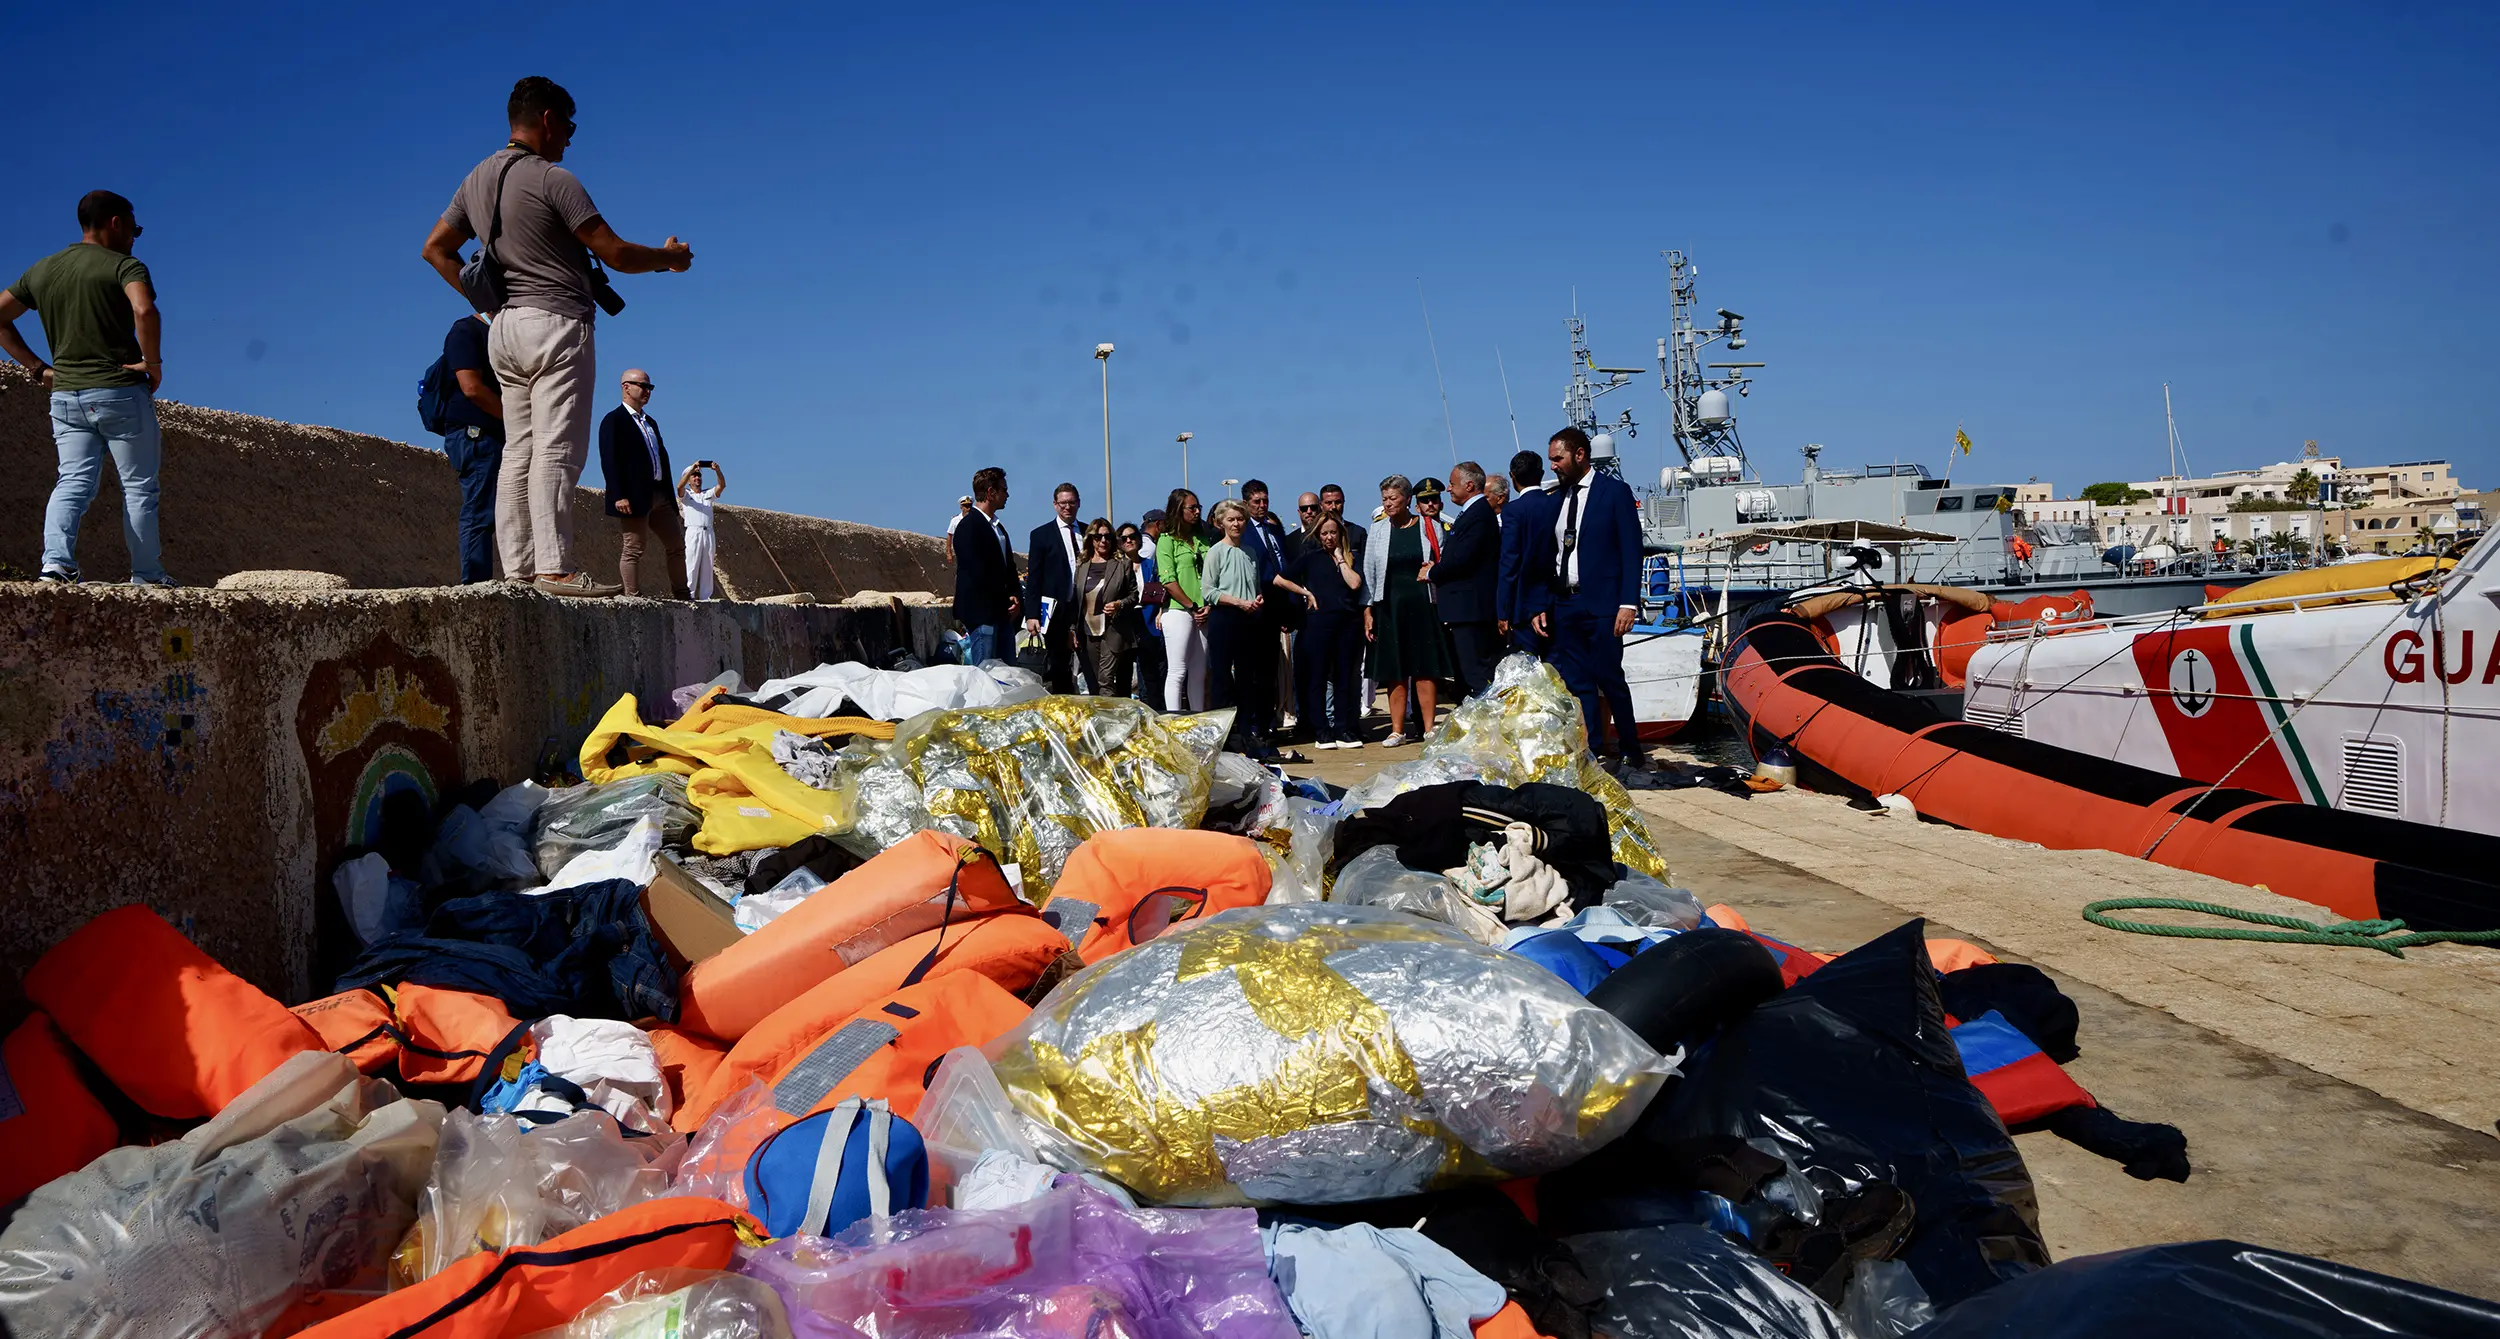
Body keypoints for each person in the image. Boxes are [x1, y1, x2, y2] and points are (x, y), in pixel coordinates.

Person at [420, 76, 692, 598]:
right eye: (568, 126)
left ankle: (519, 571)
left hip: (504, 328)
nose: (570, 137)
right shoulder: (553, 179)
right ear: (547, 120)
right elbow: (614, 252)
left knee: (519, 450)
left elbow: (436, 248)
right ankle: (556, 568)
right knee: (556, 451)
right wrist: (669, 260)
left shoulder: (475, 179)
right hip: (556, 323)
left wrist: (488, 304)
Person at [0, 190, 171, 586]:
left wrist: (37, 368)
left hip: (66, 396)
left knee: (73, 481)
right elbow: (144, 309)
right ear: (116, 223)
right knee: (139, 487)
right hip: (119, 392)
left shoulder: (42, 270)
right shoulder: (125, 265)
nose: (134, 238)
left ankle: (56, 565)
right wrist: (154, 363)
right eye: (134, 229)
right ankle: (147, 575)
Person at [1523, 428, 1644, 768]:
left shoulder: (1614, 493)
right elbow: (1542, 558)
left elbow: (1631, 550)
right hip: (1564, 604)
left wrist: (1628, 603)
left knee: (1609, 676)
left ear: (1579, 455)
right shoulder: (1554, 500)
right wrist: (1537, 605)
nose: (1553, 467)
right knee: (1577, 682)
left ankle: (1631, 749)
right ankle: (1593, 749)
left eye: (1558, 459)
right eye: (1550, 461)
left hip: (1604, 604)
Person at [1363, 475, 1452, 747]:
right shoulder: (1377, 530)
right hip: (1390, 605)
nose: (1388, 504)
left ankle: (1428, 727)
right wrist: (1367, 610)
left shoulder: (1430, 527)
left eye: (1393, 498)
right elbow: (1369, 572)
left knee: (1425, 667)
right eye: (1384, 500)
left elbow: (1443, 562)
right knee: (1395, 669)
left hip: (1423, 603)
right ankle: (1397, 729)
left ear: (1407, 500)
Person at [598, 369, 688, 598]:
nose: (647, 391)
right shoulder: (613, 420)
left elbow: (660, 458)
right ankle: (633, 597)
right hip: (634, 496)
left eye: (650, 387)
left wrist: (670, 498)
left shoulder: (651, 422)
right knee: (633, 548)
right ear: (626, 387)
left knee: (676, 545)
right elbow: (609, 460)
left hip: (660, 495)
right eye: (643, 386)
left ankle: (681, 593)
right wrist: (618, 494)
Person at [1290, 514, 1367, 748]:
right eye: (1324, 533)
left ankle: (1343, 728)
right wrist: (1307, 593)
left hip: (1347, 625)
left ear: (1340, 534)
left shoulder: (1351, 558)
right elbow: (1280, 579)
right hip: (1318, 625)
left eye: (1333, 532)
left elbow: (1355, 584)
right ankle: (1321, 730)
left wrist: (1340, 559)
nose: (1329, 537)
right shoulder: (1310, 558)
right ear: (1318, 536)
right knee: (1318, 678)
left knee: (1344, 677)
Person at [439, 313, 504, 582]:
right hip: (476, 435)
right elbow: (471, 388)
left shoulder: (500, 335)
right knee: (480, 511)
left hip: (494, 434)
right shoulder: (467, 330)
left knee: (491, 512)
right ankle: (476, 587)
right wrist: (517, 419)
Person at [1429, 460, 1502, 698]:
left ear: (1469, 485)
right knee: (1471, 672)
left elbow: (1463, 559)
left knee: (1478, 674)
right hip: (1465, 609)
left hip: (1472, 609)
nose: (1448, 489)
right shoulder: (1471, 514)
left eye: (1452, 484)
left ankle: (1490, 728)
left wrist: (1431, 573)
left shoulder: (1479, 514)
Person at [1239, 479, 1296, 745]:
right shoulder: (1244, 533)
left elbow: (1283, 564)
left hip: (1276, 608)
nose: (1262, 506)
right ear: (1246, 503)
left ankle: (1265, 724)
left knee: (1269, 672)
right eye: (1256, 502)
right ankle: (1252, 726)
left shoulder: (1274, 532)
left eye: (1265, 501)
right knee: (1253, 672)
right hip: (1254, 609)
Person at [1023, 482, 1088, 693]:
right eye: (1062, 503)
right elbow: (1034, 579)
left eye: (1071, 503)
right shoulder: (1041, 535)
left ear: (1078, 503)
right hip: (1056, 612)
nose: (1067, 507)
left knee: (1090, 665)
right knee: (1059, 668)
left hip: (1086, 611)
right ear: (1054, 505)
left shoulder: (1090, 533)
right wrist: (1032, 614)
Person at [952, 466, 1019, 663]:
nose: (1007, 494)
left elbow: (1009, 566)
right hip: (983, 614)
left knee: (1007, 674)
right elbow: (975, 573)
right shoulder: (968, 526)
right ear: (991, 492)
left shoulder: (998, 528)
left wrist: (1014, 594)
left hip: (1002, 615)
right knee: (985, 676)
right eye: (1004, 489)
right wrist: (1002, 599)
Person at [1154, 490, 1213, 711]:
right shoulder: (1166, 541)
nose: (1197, 511)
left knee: (1199, 672)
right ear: (1178, 510)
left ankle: (1197, 720)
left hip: (1203, 611)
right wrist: (1192, 605)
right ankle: (1174, 721)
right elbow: (1168, 580)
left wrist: (1207, 606)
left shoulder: (1203, 539)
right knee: (1178, 671)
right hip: (1179, 611)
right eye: (1192, 508)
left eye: (1199, 507)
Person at [1075, 519, 1143, 697]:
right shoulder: (1082, 567)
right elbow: (1076, 601)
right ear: (1091, 539)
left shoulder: (1122, 564)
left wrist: (1119, 604)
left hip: (1114, 630)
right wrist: (1072, 630)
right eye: (1098, 537)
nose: (1103, 541)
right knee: (1096, 681)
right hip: (1089, 631)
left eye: (1107, 536)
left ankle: (1110, 718)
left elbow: (1134, 595)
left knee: (1105, 679)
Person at [1497, 449, 1553, 654]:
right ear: (1542, 474)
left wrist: (1503, 611)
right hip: (1556, 601)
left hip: (1524, 606)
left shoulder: (1513, 511)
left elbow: (1509, 563)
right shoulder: (1557, 504)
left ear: (1513, 476)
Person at [1135, 509, 1168, 709]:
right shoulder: (1149, 549)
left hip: (1148, 613)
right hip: (1146, 614)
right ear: (1158, 524)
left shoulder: (1149, 546)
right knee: (1149, 666)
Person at [678, 460, 725, 598]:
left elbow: (722, 486)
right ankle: (689, 595)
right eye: (694, 475)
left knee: (708, 565)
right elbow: (679, 486)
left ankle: (705, 597)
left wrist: (717, 470)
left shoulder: (707, 494)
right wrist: (692, 467)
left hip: (708, 532)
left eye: (698, 475)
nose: (697, 478)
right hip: (693, 532)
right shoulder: (686, 495)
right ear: (688, 479)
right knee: (691, 564)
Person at [944, 495, 973, 563]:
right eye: (965, 506)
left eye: (969, 506)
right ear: (961, 507)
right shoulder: (955, 520)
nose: (968, 508)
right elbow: (949, 535)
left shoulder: (976, 519)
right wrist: (949, 553)